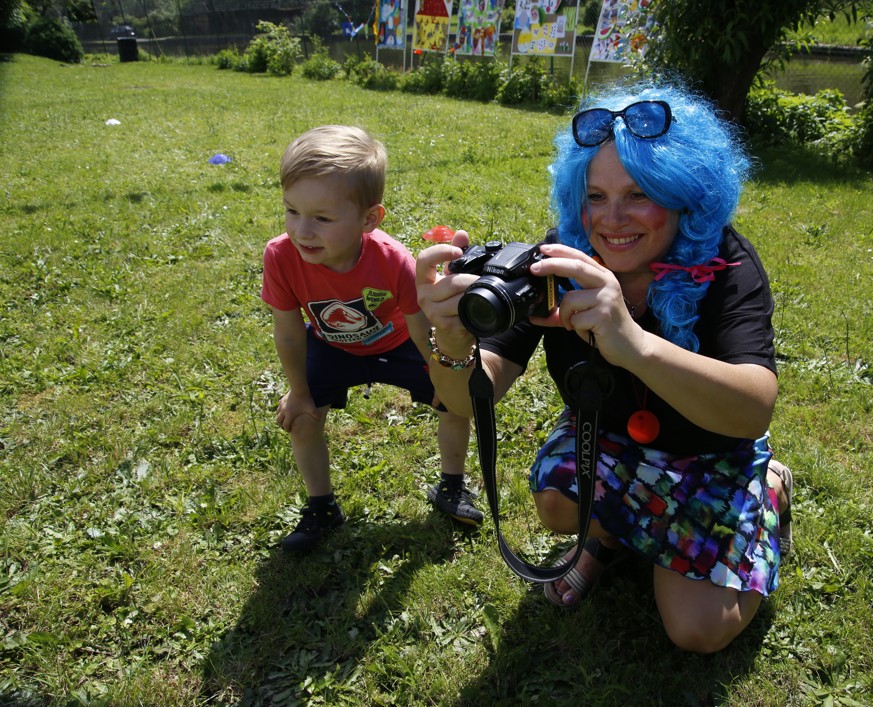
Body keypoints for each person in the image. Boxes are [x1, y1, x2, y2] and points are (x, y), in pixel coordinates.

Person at [415, 83, 793, 653]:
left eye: (640, 193)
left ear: (686, 194)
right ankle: (608, 539)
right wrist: (450, 339)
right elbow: (468, 397)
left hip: (711, 452)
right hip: (610, 437)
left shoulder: (726, 263)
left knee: (697, 630)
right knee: (557, 500)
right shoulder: (559, 260)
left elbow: (752, 410)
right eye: (595, 195)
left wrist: (634, 343)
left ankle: (770, 488)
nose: (611, 219)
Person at [261, 125, 480, 554]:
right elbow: (288, 332)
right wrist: (299, 391)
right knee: (301, 417)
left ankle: (452, 485)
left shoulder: (393, 260)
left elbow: (419, 326)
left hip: (398, 343)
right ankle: (322, 506)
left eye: (322, 218)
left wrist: (441, 373)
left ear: (369, 219)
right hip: (330, 346)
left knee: (455, 402)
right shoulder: (281, 256)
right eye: (291, 211)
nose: (302, 230)